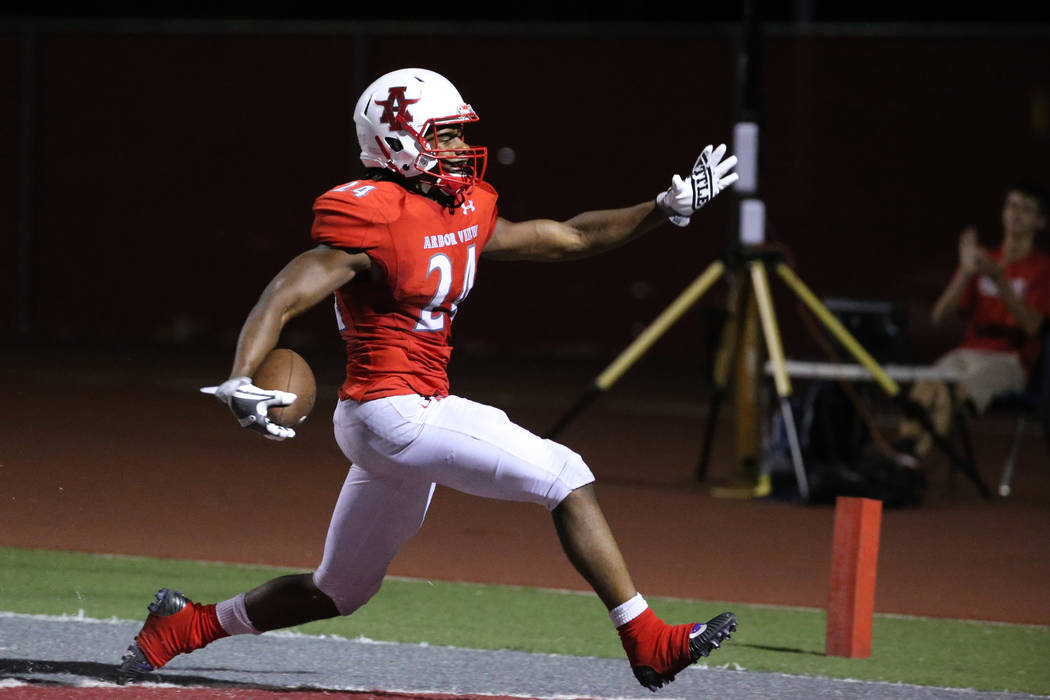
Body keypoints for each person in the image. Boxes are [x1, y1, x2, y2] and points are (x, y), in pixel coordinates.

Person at [116, 67, 740, 692]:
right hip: (396, 412)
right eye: (442, 136)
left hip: (388, 420)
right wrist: (240, 374)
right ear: (397, 143)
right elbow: (283, 294)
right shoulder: (375, 216)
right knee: (566, 474)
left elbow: (569, 237)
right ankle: (647, 638)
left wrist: (662, 208)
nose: (459, 148)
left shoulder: (459, 205)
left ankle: (185, 626)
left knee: (339, 590)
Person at [895, 182, 1050, 463]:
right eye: (1012, 206)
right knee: (924, 386)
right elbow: (938, 317)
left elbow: (1033, 327)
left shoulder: (1042, 268)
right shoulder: (982, 259)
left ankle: (912, 465)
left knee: (946, 393)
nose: (1016, 214)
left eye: (1026, 210)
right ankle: (902, 456)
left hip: (1009, 360)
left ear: (1040, 222)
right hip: (967, 351)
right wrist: (965, 273)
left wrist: (1001, 281)